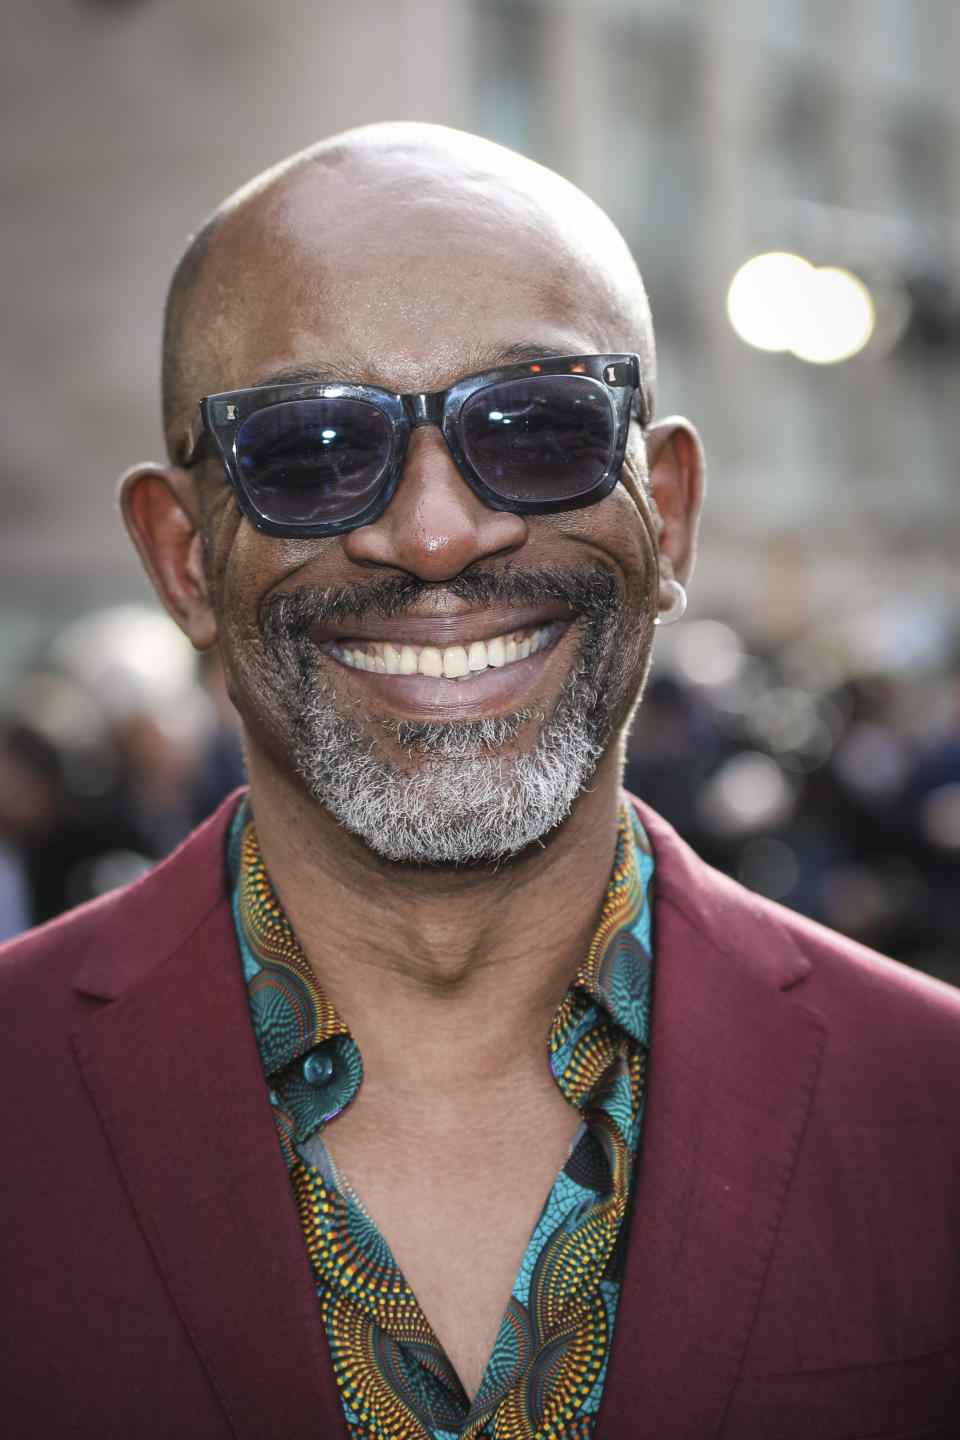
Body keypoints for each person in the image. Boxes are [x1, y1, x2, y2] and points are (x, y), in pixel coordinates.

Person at [1, 123, 958, 1440]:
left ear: (667, 513)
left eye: (544, 423)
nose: (439, 534)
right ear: (180, 562)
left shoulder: (933, 1110)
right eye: (311, 447)